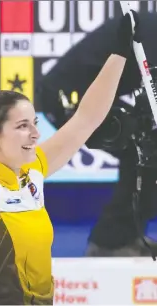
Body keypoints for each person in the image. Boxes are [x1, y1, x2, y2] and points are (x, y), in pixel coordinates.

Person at [0, 10, 138, 305]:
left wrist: (120, 52)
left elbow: (86, 119)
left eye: (34, 123)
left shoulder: (32, 170)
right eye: (23, 126)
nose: (35, 134)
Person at [39, 12, 157, 257]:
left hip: (86, 95)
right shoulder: (152, 33)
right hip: (67, 98)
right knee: (147, 151)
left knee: (146, 149)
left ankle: (122, 236)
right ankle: (110, 243)